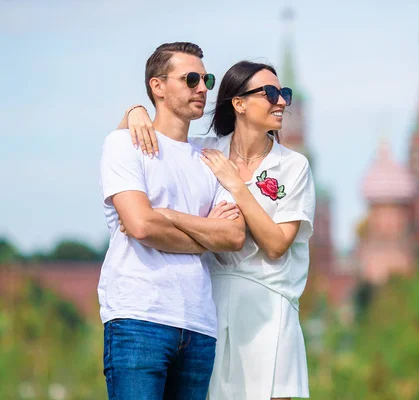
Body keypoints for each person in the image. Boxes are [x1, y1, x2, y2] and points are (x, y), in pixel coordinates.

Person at [120, 60, 316, 400]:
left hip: (269, 306)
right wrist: (135, 112)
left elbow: (276, 245)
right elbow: (140, 139)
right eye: (270, 93)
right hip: (208, 303)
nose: (281, 101)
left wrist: (236, 186)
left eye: (284, 93)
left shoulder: (293, 165)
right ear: (239, 104)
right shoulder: (204, 150)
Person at [99, 42, 246, 400]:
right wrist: (203, 234)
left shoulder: (212, 159)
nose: (203, 88)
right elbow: (141, 226)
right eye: (191, 79)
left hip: (198, 326)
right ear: (158, 86)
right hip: (138, 318)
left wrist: (168, 216)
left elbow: (233, 235)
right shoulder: (123, 145)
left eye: (206, 79)